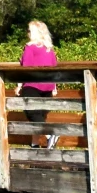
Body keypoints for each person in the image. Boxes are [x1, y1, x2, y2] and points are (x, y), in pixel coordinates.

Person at [18, 20, 59, 148]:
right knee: (38, 117)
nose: (27, 33)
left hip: (32, 85)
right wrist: (54, 87)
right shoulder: (49, 49)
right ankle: (34, 145)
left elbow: (26, 68)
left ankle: (49, 134)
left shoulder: (30, 47)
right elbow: (54, 68)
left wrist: (19, 85)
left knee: (31, 113)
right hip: (47, 86)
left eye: (29, 31)